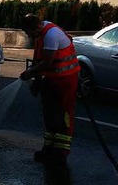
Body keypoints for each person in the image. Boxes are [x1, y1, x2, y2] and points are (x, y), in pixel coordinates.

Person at [19, 13, 81, 167]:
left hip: (65, 81)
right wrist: (37, 82)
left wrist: (30, 74)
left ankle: (60, 154)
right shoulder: (41, 34)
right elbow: (38, 61)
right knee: (50, 115)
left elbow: (47, 62)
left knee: (62, 116)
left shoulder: (51, 35)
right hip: (53, 80)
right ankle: (49, 149)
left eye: (28, 32)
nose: (28, 35)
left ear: (34, 27)